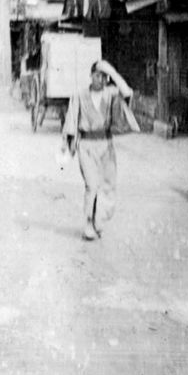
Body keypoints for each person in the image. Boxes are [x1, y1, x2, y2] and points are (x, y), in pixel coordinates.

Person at [62, 60, 137, 241]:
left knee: (107, 186)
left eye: (105, 77)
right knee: (92, 185)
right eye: (98, 75)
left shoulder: (111, 94)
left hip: (106, 145)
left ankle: (98, 220)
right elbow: (71, 120)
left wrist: (111, 70)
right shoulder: (80, 95)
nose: (101, 80)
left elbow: (127, 93)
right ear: (91, 76)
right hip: (86, 146)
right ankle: (88, 222)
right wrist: (67, 147)